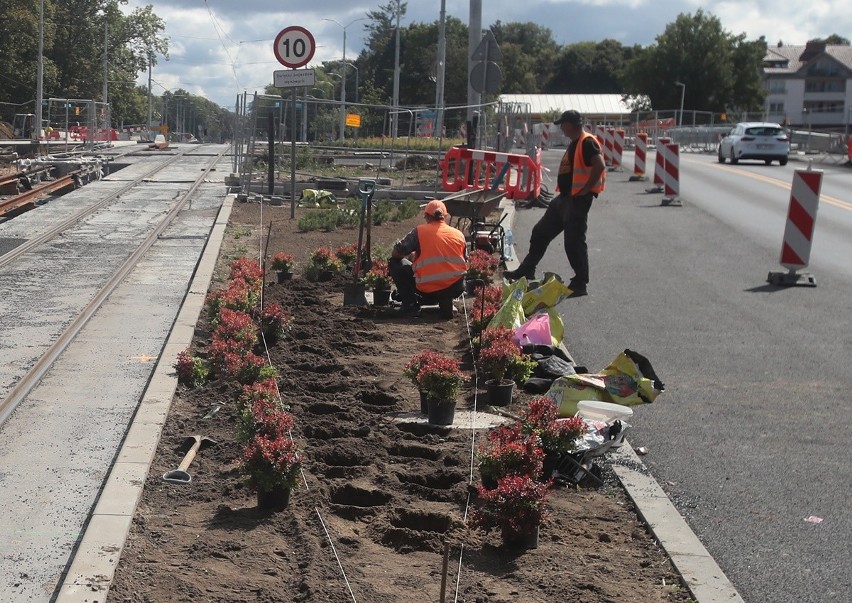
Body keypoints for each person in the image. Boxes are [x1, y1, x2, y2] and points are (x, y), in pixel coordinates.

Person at [504, 110, 606, 297]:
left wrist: (585, 189)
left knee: (573, 242)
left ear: (570, 124)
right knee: (540, 232)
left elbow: (599, 165)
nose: (561, 128)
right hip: (565, 199)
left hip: (577, 200)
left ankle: (580, 283)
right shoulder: (576, 143)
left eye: (562, 124)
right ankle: (527, 268)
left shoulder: (587, 142)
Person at [389, 200, 467, 318]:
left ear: (426, 216)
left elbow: (396, 253)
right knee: (446, 282)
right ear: (445, 216)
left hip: (427, 287)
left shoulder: (420, 231)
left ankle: (410, 306)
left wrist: (414, 257)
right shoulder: (458, 234)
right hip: (455, 287)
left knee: (395, 263)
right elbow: (464, 259)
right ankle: (445, 301)